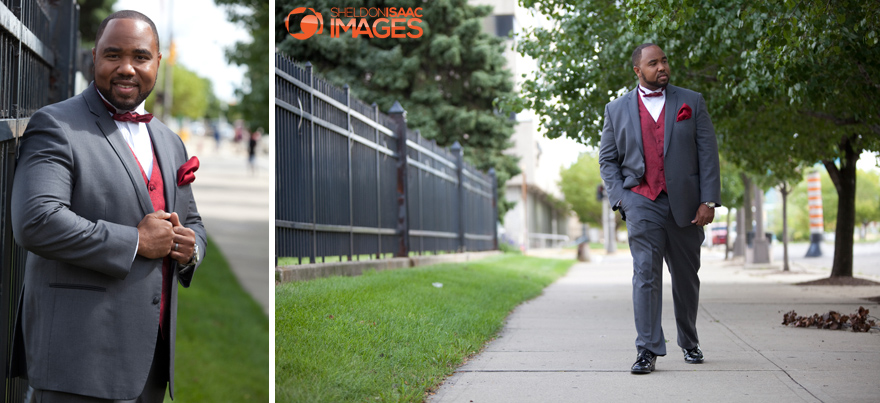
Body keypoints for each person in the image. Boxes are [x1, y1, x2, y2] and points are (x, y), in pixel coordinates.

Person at [10, 10, 207, 402]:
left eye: (140, 56)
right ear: (94, 58)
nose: (127, 68)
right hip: (78, 359)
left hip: (149, 363)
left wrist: (191, 249)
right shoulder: (56, 125)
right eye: (113, 55)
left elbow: (193, 221)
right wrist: (134, 241)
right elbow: (36, 221)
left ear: (157, 62)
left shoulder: (169, 141)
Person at [598, 43, 721, 374]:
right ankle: (647, 348)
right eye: (654, 63)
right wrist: (622, 198)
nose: (662, 67)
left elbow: (707, 153)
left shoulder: (690, 101)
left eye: (665, 60)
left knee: (685, 278)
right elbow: (607, 159)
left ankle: (689, 340)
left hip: (686, 204)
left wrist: (708, 200)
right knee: (645, 275)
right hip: (641, 201)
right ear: (638, 71)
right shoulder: (616, 109)